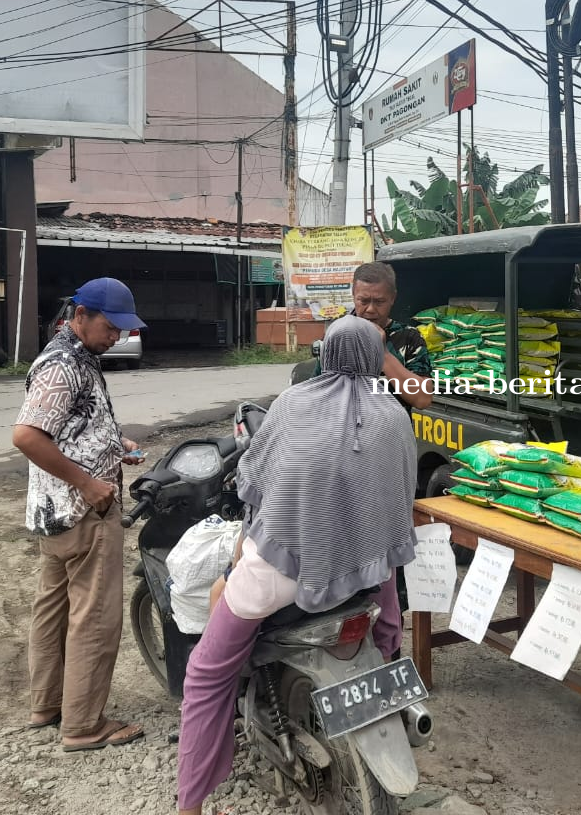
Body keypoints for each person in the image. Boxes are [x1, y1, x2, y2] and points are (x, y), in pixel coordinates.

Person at [176, 314, 417, 815]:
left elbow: (256, 483)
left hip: (285, 569)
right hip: (366, 567)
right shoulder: (394, 415)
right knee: (389, 630)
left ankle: (190, 803)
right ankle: (391, 688)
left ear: (325, 354)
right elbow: (399, 499)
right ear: (375, 359)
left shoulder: (293, 404)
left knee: (205, 673)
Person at [12, 277, 148, 752]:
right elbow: (27, 436)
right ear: (81, 315)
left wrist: (115, 443)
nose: (117, 336)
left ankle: (48, 704)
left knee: (53, 608)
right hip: (82, 511)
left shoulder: (76, 356)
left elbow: (68, 427)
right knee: (95, 617)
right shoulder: (63, 365)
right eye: (110, 326)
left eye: (122, 329)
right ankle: (84, 725)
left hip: (56, 511)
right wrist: (90, 484)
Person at [315, 261, 433, 410]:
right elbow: (317, 393)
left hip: (392, 424)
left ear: (392, 298)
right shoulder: (338, 334)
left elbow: (422, 399)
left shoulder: (409, 337)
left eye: (379, 302)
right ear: (353, 295)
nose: (370, 309)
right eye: (363, 301)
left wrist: (383, 353)